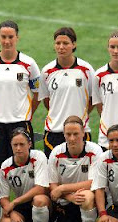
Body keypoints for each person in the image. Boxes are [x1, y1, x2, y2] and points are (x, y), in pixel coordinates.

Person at [0, 20, 40, 185]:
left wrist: (28, 113)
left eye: (10, 37)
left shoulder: (29, 64)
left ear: (17, 38)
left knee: (25, 167)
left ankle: (24, 207)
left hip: (20, 124)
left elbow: (38, 92)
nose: (7, 41)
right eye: (3, 37)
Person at [48, 116, 102, 222]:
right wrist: (69, 197)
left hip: (91, 201)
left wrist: (63, 188)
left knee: (86, 196)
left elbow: (93, 183)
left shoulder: (95, 151)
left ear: (83, 133)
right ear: (63, 134)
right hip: (67, 203)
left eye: (76, 134)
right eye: (68, 134)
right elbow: (52, 186)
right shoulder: (56, 153)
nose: (72, 138)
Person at [39, 27, 95, 158]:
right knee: (53, 175)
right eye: (58, 43)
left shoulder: (86, 70)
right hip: (54, 131)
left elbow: (92, 99)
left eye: (65, 43)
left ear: (74, 44)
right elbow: (47, 100)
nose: (61, 47)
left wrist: (80, 116)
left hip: (80, 131)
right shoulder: (47, 71)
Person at [0, 127, 51, 222]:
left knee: (39, 200)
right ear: (11, 145)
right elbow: (3, 197)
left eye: (22, 144)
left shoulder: (38, 157)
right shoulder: (5, 166)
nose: (18, 148)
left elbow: (40, 188)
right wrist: (11, 213)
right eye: (15, 145)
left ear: (30, 144)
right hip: (22, 205)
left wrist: (14, 203)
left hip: (43, 203)